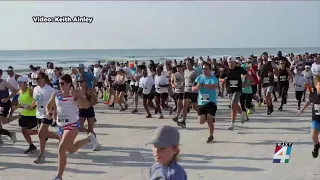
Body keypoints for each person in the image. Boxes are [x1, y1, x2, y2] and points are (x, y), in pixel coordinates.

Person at [46, 74, 99, 180]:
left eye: (62, 83)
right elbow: (49, 106)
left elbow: (86, 105)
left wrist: (76, 97)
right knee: (71, 150)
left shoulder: (74, 94)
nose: (60, 85)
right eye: (59, 83)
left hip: (72, 125)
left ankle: (59, 177)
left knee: (61, 149)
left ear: (69, 83)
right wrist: (49, 112)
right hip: (61, 126)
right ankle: (89, 139)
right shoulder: (56, 94)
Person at [31, 71, 60, 164]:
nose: (36, 80)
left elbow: (56, 102)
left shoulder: (50, 90)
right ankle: (60, 137)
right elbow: (36, 100)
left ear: (44, 78)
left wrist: (52, 112)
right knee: (43, 135)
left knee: (40, 134)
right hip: (38, 114)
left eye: (38, 78)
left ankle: (42, 155)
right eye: (35, 79)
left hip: (47, 114)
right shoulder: (35, 89)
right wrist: (31, 106)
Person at [193, 62, 218, 143]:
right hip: (201, 102)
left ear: (210, 70)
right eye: (203, 69)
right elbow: (193, 88)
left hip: (211, 102)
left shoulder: (213, 79)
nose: (204, 70)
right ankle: (210, 117)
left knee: (209, 120)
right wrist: (197, 87)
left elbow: (213, 86)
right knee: (201, 121)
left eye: (206, 69)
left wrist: (203, 85)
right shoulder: (199, 78)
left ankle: (211, 136)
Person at [220, 56, 247, 130]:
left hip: (238, 89)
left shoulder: (239, 69)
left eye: (232, 62)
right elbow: (220, 78)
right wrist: (223, 80)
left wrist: (244, 78)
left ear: (235, 63)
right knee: (234, 104)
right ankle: (241, 113)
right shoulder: (225, 70)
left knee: (232, 104)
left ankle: (232, 123)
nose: (230, 64)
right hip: (229, 90)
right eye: (229, 62)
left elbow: (245, 73)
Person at [12, 76, 38, 153]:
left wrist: (32, 107)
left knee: (29, 131)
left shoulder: (31, 91)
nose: (19, 84)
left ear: (25, 83)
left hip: (32, 115)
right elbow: (21, 103)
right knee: (23, 131)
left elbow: (37, 100)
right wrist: (14, 108)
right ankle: (31, 146)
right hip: (24, 115)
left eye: (20, 83)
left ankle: (43, 133)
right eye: (18, 83)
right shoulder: (20, 91)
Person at [298, 75, 320, 158]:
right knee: (313, 136)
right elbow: (308, 102)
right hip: (315, 119)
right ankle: (316, 146)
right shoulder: (313, 95)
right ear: (315, 85)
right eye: (319, 84)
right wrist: (302, 110)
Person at [77, 75, 100, 151]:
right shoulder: (77, 91)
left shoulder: (89, 90)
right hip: (81, 111)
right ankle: (90, 135)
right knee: (79, 127)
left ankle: (96, 144)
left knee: (91, 128)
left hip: (89, 110)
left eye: (81, 81)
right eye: (79, 81)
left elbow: (96, 101)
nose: (80, 83)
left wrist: (89, 104)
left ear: (85, 82)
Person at [177, 58, 198, 128]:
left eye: (188, 63)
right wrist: (183, 83)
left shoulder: (195, 72)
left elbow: (198, 80)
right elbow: (186, 79)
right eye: (186, 63)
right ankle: (183, 121)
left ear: (192, 64)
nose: (187, 64)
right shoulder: (185, 71)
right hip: (186, 90)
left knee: (195, 107)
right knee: (184, 106)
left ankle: (202, 113)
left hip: (193, 91)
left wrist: (194, 83)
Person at [0, 69, 18, 144]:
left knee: (3, 121)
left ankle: (19, 116)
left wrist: (7, 98)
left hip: (4, 104)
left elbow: (14, 90)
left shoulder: (4, 83)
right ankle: (1, 138)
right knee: (1, 123)